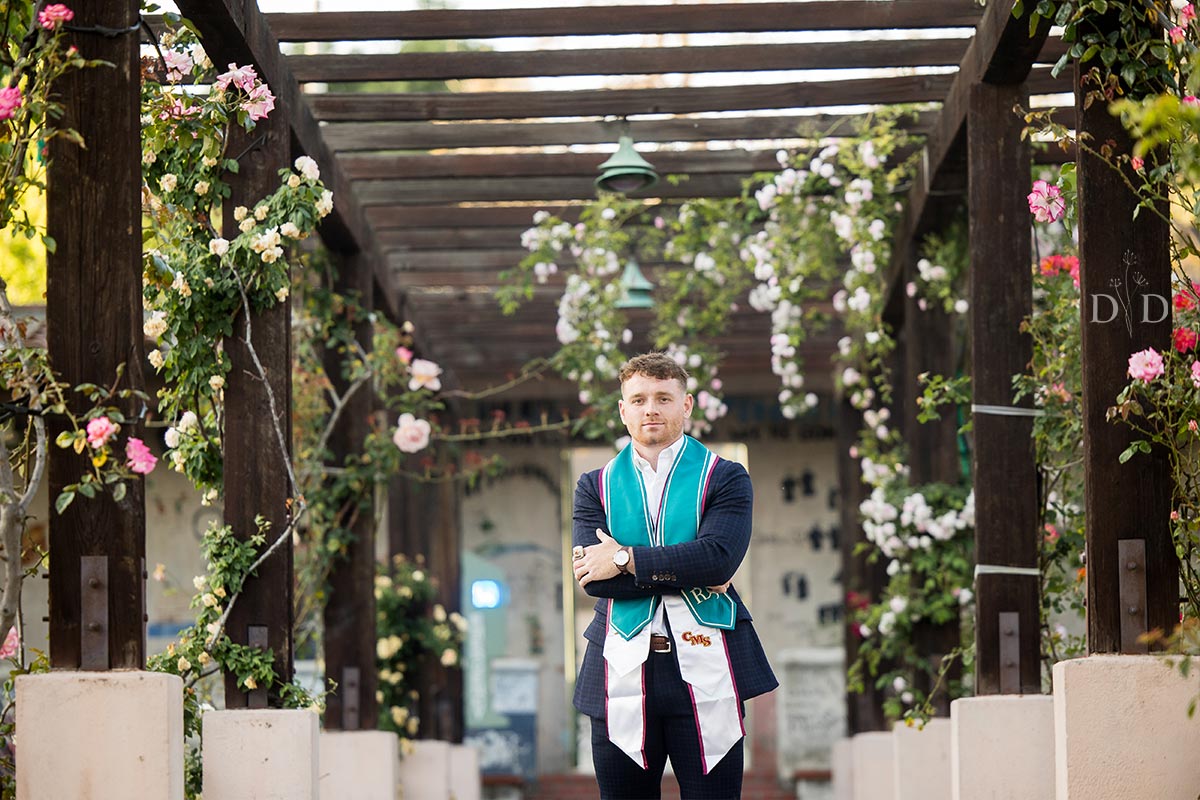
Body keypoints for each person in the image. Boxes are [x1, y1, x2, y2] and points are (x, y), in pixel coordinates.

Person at [571, 352, 777, 800]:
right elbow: (595, 581)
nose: (651, 409)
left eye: (664, 398)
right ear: (623, 410)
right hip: (620, 668)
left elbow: (719, 560)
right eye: (639, 399)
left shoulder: (725, 478)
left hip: (709, 667)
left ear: (686, 406)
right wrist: (689, 565)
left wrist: (623, 559)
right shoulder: (594, 486)